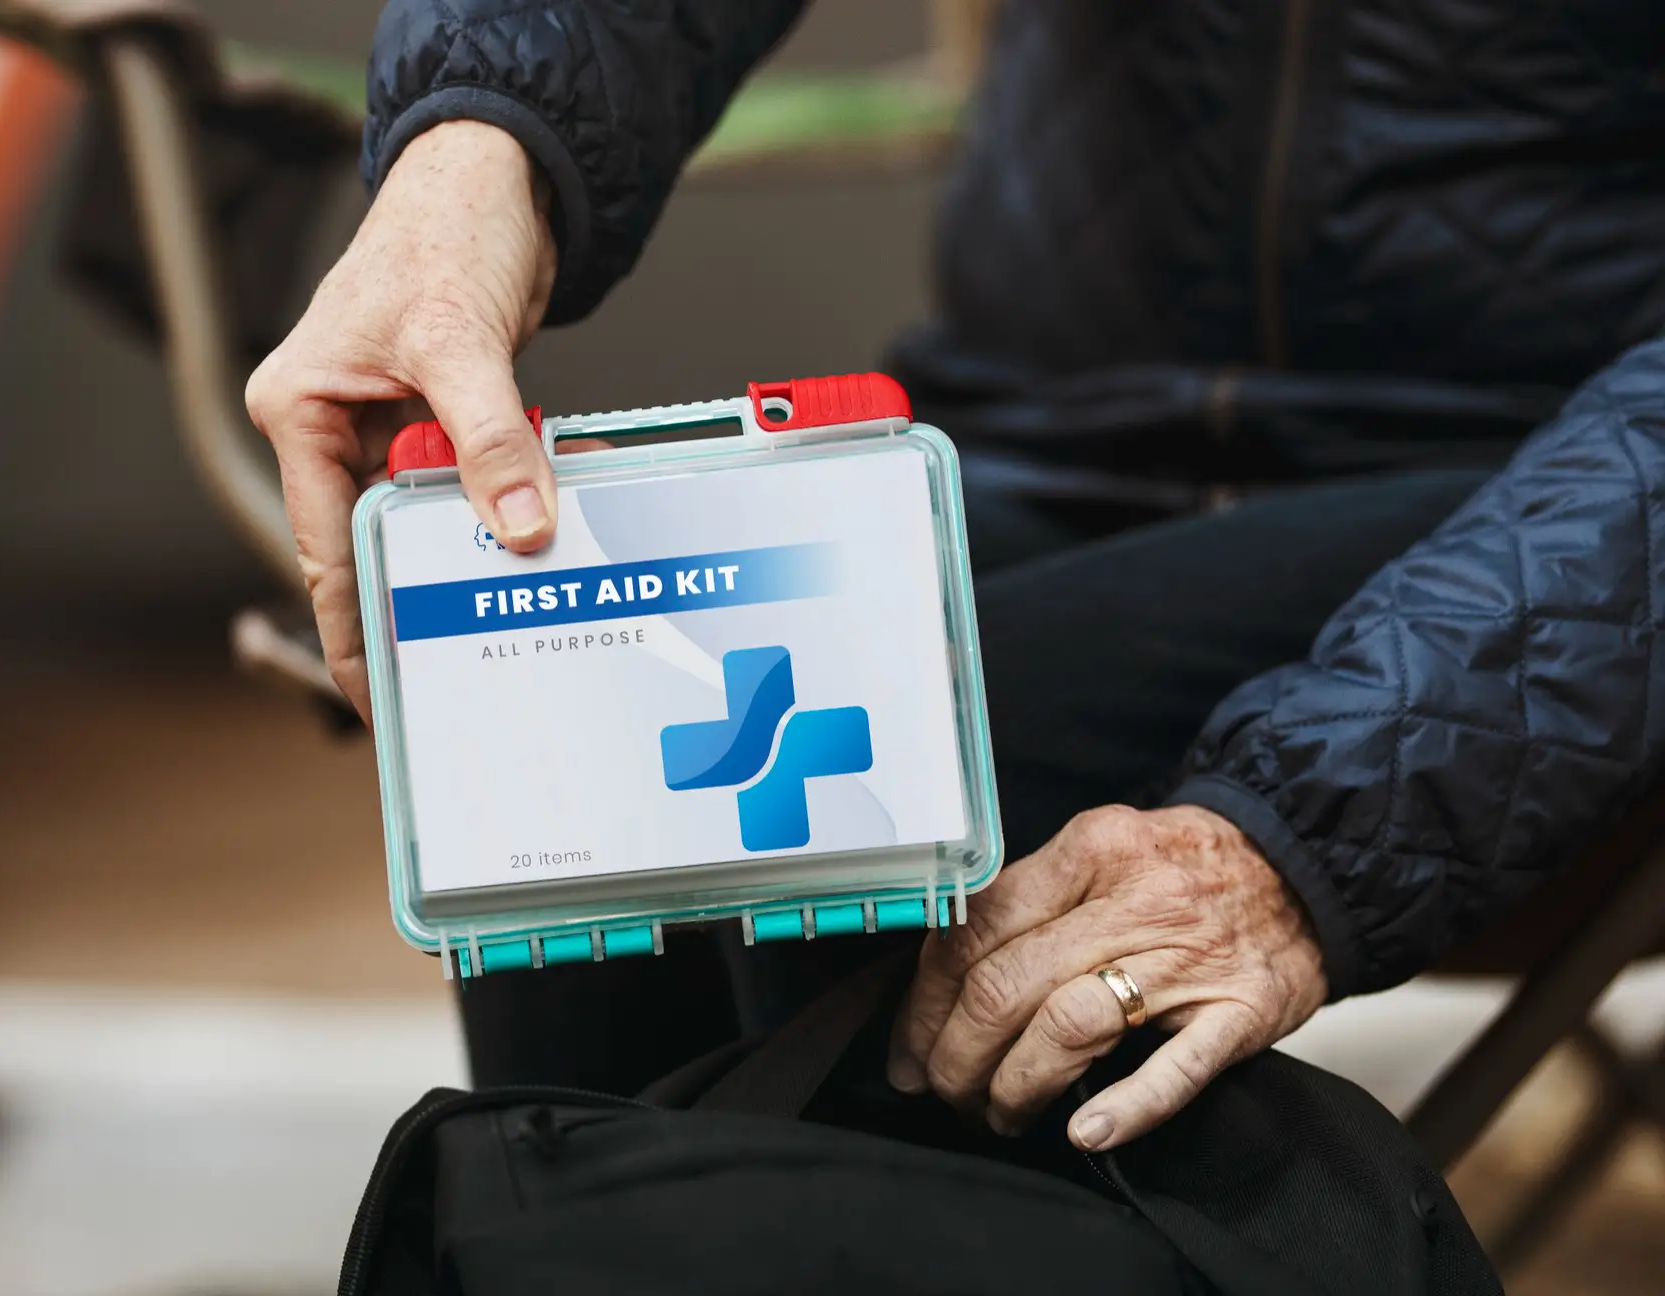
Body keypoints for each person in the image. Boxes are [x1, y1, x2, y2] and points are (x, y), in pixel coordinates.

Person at [246, 2, 1665, 1152]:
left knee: (909, 760)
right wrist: (475, 141)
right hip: (1042, 415)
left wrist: (1323, 824)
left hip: (1545, 480)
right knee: (575, 708)